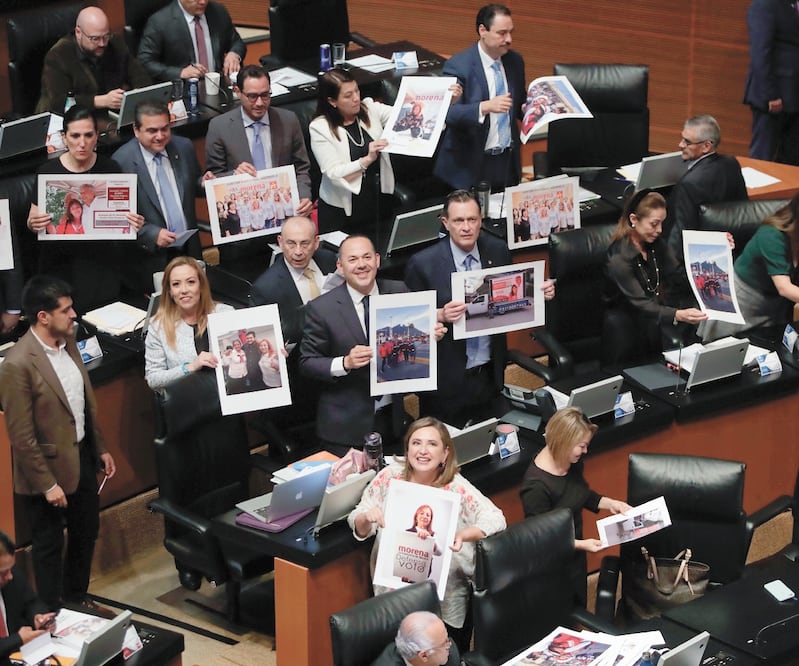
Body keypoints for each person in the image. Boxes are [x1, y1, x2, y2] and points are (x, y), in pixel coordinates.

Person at [0, 276, 116, 610]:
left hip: (81, 458)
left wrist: (101, 448)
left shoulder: (69, 340)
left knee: (86, 532)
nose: (74, 315)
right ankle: (51, 613)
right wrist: (47, 484)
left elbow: (84, 403)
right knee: (49, 546)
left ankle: (76, 599)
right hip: (46, 474)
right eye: (66, 310)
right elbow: (21, 435)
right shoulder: (17, 364)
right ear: (43, 316)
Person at [349, 417, 506, 653]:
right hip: (394, 592)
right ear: (407, 448)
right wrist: (365, 518)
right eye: (416, 443)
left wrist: (465, 534)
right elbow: (359, 521)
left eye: (432, 444)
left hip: (444, 596)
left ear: (445, 454)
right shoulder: (390, 477)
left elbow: (496, 518)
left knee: (442, 655)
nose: (422, 451)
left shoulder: (456, 487)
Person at [405, 189, 554, 427]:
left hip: (488, 372)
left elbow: (510, 297)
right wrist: (441, 315)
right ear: (445, 223)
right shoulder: (423, 264)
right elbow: (408, 325)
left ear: (480, 220)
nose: (466, 227)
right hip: (446, 380)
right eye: (458, 221)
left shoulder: (497, 249)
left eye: (472, 220)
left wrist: (537, 292)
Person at [299, 235, 415, 455]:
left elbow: (412, 339)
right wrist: (345, 363)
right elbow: (307, 363)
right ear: (340, 267)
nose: (362, 264)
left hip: (394, 420)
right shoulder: (322, 308)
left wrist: (430, 334)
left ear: (377, 260)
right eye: (352, 259)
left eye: (367, 257)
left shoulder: (399, 291)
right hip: (345, 429)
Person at [25, 105, 144, 312]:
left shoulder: (110, 168)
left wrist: (135, 223)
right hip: (60, 262)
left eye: (88, 135)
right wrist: (33, 222)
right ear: (64, 137)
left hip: (101, 260)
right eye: (75, 136)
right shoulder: (47, 172)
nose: (82, 143)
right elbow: (32, 219)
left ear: (97, 136)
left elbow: (125, 215)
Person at [519, 407, 631, 606]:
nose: (585, 451)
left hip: (575, 555)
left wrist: (611, 504)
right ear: (564, 442)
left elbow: (581, 495)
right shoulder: (535, 487)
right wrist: (581, 544)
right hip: (551, 567)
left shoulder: (571, 462)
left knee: (578, 605)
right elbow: (541, 538)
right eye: (581, 446)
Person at [112, 101, 209, 293]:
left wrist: (204, 182)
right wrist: (151, 233)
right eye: (152, 131)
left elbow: (194, 186)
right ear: (136, 130)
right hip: (151, 259)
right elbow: (118, 219)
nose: (160, 136)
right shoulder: (120, 163)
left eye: (165, 129)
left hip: (188, 250)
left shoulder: (184, 147)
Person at [604, 190, 706, 364]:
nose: (659, 230)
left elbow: (680, 275)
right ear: (634, 220)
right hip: (625, 330)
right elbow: (641, 304)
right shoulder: (618, 258)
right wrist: (678, 314)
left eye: (662, 223)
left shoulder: (654, 244)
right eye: (654, 224)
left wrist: (719, 248)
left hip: (652, 325)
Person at [434, 4, 526, 192]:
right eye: (502, 33)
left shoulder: (515, 61)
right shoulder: (459, 65)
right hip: (470, 163)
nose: (509, 39)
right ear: (483, 30)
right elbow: (448, 113)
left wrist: (529, 109)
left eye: (510, 32)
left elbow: (517, 104)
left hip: (506, 160)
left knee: (504, 219)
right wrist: (485, 107)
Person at [205, 65, 313, 215]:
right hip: (244, 213)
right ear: (237, 92)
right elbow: (214, 177)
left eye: (265, 95)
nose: (260, 103)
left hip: (284, 209)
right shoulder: (219, 127)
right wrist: (234, 175)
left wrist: (304, 196)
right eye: (252, 96)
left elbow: (301, 167)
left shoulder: (288, 120)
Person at [309, 68, 396, 234]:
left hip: (375, 198)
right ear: (332, 101)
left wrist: (447, 100)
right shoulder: (320, 128)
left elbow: (404, 114)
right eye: (348, 96)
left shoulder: (369, 109)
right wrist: (366, 160)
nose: (356, 99)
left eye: (356, 91)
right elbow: (333, 172)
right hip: (341, 210)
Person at [702, 194, 799, 340]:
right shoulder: (771, 235)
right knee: (728, 353)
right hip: (743, 302)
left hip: (774, 307)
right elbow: (784, 287)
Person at [664, 114, 748, 262]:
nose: (680, 145)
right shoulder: (732, 163)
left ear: (706, 146)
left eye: (687, 142)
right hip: (732, 251)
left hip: (700, 257)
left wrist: (669, 267)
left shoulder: (689, 183)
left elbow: (682, 232)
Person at [36, 6, 151, 114]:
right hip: (71, 119)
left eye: (106, 36)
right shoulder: (58, 55)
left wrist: (137, 94)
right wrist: (101, 101)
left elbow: (140, 75)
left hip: (109, 115)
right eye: (95, 38)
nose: (102, 44)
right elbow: (58, 102)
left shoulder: (115, 43)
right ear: (78, 33)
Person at [144, 256, 233, 390]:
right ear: (169, 291)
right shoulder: (158, 327)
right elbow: (153, 379)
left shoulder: (226, 314)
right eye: (176, 284)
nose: (184, 290)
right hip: (188, 402)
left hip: (228, 396)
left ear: (201, 286)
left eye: (191, 282)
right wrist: (190, 367)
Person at [743, 0, 799, 164]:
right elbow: (760, 53)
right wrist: (770, 95)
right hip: (774, 97)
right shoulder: (765, 5)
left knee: (792, 160)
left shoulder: (792, 6)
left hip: (795, 99)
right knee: (762, 158)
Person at [137, 0, 245, 83]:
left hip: (219, 86)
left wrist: (234, 54)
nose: (203, 2)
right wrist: (180, 72)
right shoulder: (159, 22)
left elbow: (236, 42)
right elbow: (145, 61)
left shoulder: (218, 11)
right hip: (183, 91)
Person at [0, 530, 56, 662]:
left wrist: (37, 617)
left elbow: (32, 602)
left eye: (10, 568)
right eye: (3, 572)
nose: (10, 576)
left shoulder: (11, 577)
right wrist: (17, 639)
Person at [372, 610, 458, 666]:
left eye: (446, 637)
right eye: (445, 643)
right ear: (424, 655)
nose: (450, 644)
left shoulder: (450, 656)